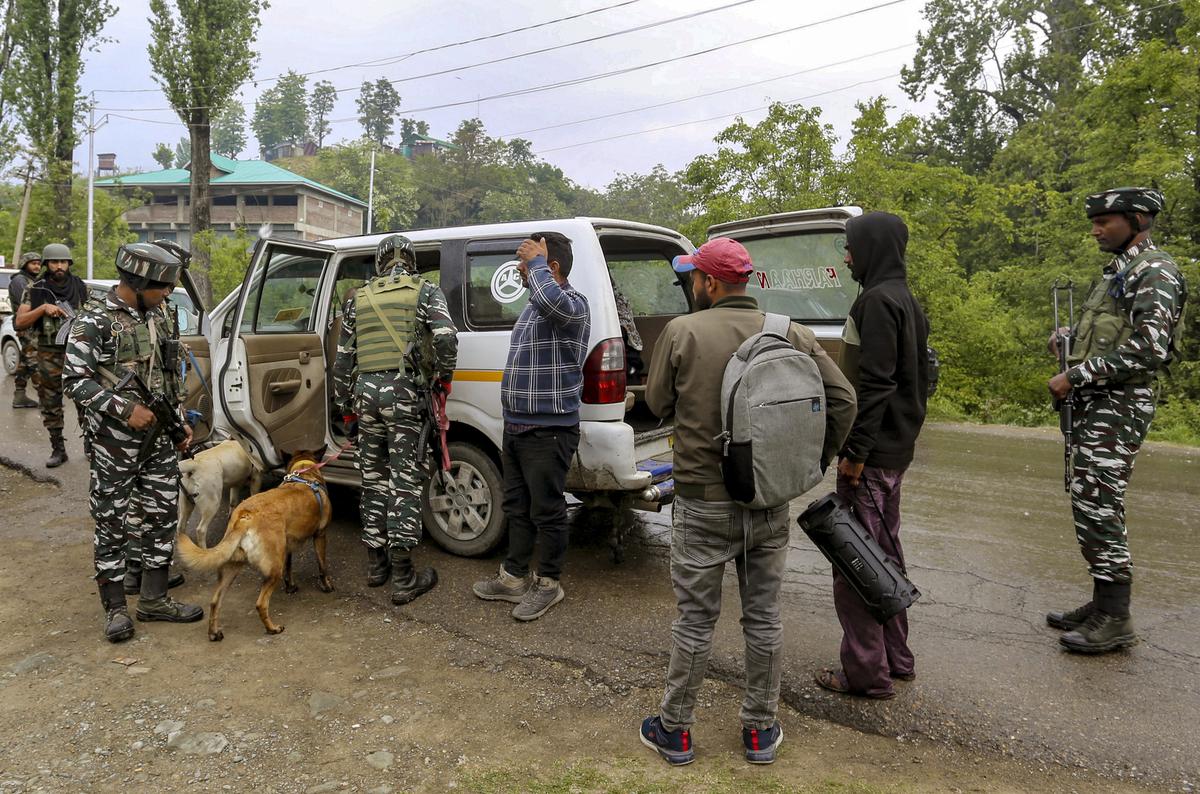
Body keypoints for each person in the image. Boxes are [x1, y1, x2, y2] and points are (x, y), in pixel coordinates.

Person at [639, 237, 856, 766]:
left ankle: (676, 730)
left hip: (701, 502)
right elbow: (844, 401)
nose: (694, 284)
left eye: (695, 277)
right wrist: (808, 465)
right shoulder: (791, 331)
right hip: (767, 501)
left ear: (709, 284)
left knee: (695, 620)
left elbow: (657, 402)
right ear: (749, 282)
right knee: (763, 618)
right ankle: (760, 731)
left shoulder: (682, 331)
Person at [1046, 187, 1187, 654]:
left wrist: (1077, 373)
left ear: (1138, 219)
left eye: (1106, 221)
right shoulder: (1118, 271)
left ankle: (1116, 616)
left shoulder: (1155, 271)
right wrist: (1071, 339)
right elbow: (1112, 332)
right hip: (1100, 400)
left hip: (1122, 403)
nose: (1096, 229)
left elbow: (1151, 348)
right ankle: (1101, 601)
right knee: (1089, 499)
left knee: (1100, 500)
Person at [812, 211, 930, 701]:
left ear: (873, 249)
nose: (846, 255)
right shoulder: (906, 300)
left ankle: (865, 673)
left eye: (851, 247)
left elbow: (877, 385)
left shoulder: (876, 303)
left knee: (857, 562)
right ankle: (896, 658)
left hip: (873, 455)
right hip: (893, 449)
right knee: (884, 555)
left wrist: (854, 454)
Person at [62, 243, 204, 643]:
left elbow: (167, 373)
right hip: (114, 441)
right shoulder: (94, 320)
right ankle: (115, 609)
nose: (167, 293)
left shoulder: (160, 313)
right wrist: (124, 410)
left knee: (162, 514)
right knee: (112, 520)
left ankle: (154, 600)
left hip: (159, 435)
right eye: (162, 287)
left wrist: (178, 421)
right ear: (138, 283)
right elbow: (74, 381)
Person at [333, 234, 458, 606]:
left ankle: (376, 565)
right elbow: (446, 339)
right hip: (403, 394)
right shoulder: (425, 291)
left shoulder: (358, 299)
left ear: (379, 261)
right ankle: (404, 577)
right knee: (404, 482)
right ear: (412, 261)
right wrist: (442, 378)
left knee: (372, 478)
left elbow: (343, 360)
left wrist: (347, 408)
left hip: (365, 395)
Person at [472, 232, 591, 622]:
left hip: (549, 429)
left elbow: (554, 301)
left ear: (550, 266)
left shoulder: (574, 305)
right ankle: (514, 578)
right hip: (518, 426)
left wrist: (537, 262)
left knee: (548, 510)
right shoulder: (533, 307)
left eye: (527, 264)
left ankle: (550, 584)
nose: (521, 271)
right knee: (516, 506)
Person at [14, 243, 88, 467]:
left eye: (63, 262)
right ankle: (58, 449)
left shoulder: (80, 287)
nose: (59, 266)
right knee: (51, 404)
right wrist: (42, 308)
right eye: (54, 262)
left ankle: (91, 445)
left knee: (86, 401)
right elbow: (19, 322)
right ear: (47, 264)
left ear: (69, 264)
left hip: (77, 354)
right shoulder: (36, 289)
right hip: (47, 354)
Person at [8, 251, 42, 409]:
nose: (37, 266)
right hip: (27, 326)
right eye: (33, 263)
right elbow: (30, 303)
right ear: (25, 264)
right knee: (34, 361)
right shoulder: (20, 281)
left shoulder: (31, 280)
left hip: (32, 325)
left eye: (38, 263)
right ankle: (46, 398)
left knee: (25, 361)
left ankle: (19, 396)